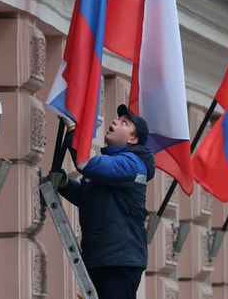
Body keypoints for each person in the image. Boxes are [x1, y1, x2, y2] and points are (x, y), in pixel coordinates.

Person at [54, 104, 156, 299]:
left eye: (124, 123)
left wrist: (73, 132)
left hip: (118, 260)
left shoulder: (132, 163)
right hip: (102, 256)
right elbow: (89, 197)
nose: (116, 121)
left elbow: (87, 163)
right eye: (118, 119)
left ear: (133, 139)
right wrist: (66, 184)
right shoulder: (113, 165)